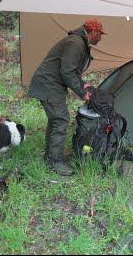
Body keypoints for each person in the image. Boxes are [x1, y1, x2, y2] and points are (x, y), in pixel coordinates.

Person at [28, 19, 106, 176]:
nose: (101, 38)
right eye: (100, 34)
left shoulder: (78, 41)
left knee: (56, 119)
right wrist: (82, 93)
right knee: (61, 120)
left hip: (51, 83)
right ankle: (54, 161)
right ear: (94, 31)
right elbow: (66, 72)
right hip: (49, 84)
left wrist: (82, 83)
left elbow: (71, 70)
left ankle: (51, 156)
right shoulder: (76, 42)